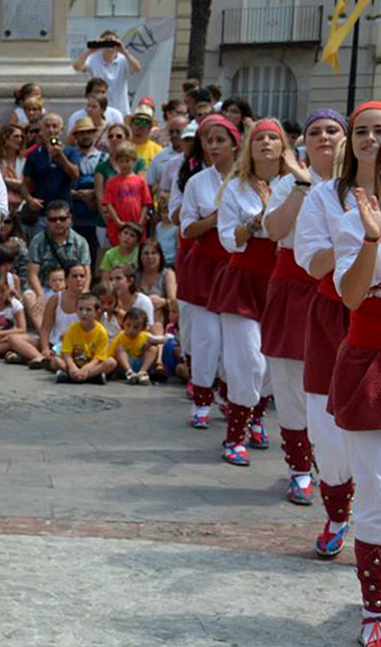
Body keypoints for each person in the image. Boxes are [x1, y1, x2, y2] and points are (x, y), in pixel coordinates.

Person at [293, 105, 370, 558]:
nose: (371, 140)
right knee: (326, 426)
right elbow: (313, 260)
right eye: (363, 131)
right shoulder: (324, 197)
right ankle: (339, 511)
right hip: (334, 314)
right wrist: (359, 237)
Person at [261, 109, 346, 506]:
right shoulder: (287, 184)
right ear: (303, 143)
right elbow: (274, 231)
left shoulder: (363, 185)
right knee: (291, 381)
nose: (324, 137)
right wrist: (301, 183)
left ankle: (344, 468)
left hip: (346, 293)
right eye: (315, 132)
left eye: (333, 130)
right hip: (294, 284)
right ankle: (299, 467)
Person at [209, 119, 287, 466]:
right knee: (247, 361)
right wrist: (260, 222)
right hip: (243, 280)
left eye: (274, 137)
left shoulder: (295, 185)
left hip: (281, 282)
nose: (267, 143)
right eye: (260, 138)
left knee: (272, 365)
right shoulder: (235, 187)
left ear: (283, 146)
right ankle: (234, 435)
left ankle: (256, 415)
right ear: (249, 147)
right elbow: (229, 238)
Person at [331, 172, 381, 647]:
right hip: (370, 362)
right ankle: (375, 610)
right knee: (376, 490)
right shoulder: (355, 221)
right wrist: (371, 237)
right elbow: (350, 295)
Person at [179, 115, 238, 428]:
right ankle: (201, 401)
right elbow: (187, 228)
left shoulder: (248, 182)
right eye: (208, 140)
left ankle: (230, 397)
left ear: (234, 143)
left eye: (220, 140)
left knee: (235, 342)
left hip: (237, 269)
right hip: (205, 267)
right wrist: (215, 220)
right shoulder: (197, 182)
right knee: (206, 339)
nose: (214, 146)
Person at [26, 199, 90, 330]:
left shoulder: (80, 242)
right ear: (46, 221)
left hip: (70, 288)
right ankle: (45, 335)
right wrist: (40, 295)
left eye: (62, 218)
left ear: (69, 218)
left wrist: (84, 291)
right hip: (45, 287)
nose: (58, 223)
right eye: (53, 219)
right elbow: (32, 273)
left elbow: (86, 271)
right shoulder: (38, 241)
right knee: (29, 296)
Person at [22, 113, 79, 238]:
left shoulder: (70, 151)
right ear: (42, 130)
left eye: (55, 126)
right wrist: (29, 199)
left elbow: (75, 174)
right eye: (47, 126)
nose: (51, 130)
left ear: (61, 130)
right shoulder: (35, 154)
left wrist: (60, 157)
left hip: (63, 213)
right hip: (41, 213)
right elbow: (25, 184)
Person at [68, 117, 107, 272]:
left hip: (96, 217)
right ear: (76, 136)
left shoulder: (105, 158)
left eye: (88, 132)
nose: (85, 136)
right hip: (75, 216)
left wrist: (93, 194)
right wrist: (78, 195)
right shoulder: (69, 156)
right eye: (81, 133)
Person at [72, 30, 141, 116]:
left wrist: (124, 51)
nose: (109, 45)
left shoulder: (123, 59)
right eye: (106, 42)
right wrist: (90, 51)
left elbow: (137, 68)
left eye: (112, 42)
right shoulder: (93, 59)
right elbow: (77, 67)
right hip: (99, 110)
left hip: (121, 109)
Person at [55, 292, 116, 383]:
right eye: (80, 309)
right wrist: (72, 367)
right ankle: (90, 378)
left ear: (96, 312)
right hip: (75, 364)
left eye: (88, 310)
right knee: (55, 360)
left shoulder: (101, 332)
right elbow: (66, 353)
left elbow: (98, 358)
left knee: (111, 362)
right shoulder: (71, 329)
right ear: (76, 310)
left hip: (91, 366)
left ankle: (76, 377)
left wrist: (86, 369)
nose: (84, 313)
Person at [38, 263, 89, 372]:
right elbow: (45, 329)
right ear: (66, 279)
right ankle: (42, 358)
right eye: (75, 276)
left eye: (82, 276)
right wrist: (45, 348)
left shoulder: (91, 301)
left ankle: (67, 370)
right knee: (15, 340)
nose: (79, 279)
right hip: (56, 346)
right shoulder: (56, 299)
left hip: (80, 348)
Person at [101, 142, 152, 248]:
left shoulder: (141, 181)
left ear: (134, 161)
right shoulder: (112, 182)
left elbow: (145, 204)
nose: (124, 164)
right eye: (121, 161)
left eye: (127, 161)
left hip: (136, 223)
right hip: (118, 226)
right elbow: (109, 204)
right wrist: (118, 222)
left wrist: (140, 223)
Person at [0, 279, 45, 365]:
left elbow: (22, 328)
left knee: (12, 341)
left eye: (3, 292)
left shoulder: (16, 305)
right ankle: (13, 354)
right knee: (10, 343)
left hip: (7, 337)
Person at [111, 308, 164, 385]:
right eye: (128, 325)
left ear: (142, 328)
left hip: (141, 364)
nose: (131, 330)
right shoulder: (120, 337)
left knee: (153, 348)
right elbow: (111, 352)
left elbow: (161, 340)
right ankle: (130, 373)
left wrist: (152, 343)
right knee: (119, 348)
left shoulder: (145, 336)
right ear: (123, 324)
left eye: (136, 327)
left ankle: (142, 372)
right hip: (126, 365)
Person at [137, 239, 177, 331]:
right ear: (140, 256)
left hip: (161, 316)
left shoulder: (167, 274)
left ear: (160, 256)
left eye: (154, 253)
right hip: (138, 315)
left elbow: (173, 302)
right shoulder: (135, 275)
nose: (150, 257)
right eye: (146, 253)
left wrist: (162, 302)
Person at [147, 115, 188, 202]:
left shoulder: (196, 157)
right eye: (171, 132)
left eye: (178, 132)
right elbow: (149, 186)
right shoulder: (159, 157)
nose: (174, 135)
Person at [0, 124, 26, 211]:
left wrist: (5, 180)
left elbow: (25, 184)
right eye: (16, 137)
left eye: (21, 137)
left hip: (21, 207)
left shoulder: (24, 162)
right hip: (1, 206)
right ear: (6, 139)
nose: (19, 140)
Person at [126, 104, 163, 169]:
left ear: (150, 127)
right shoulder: (122, 147)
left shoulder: (158, 151)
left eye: (145, 122)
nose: (141, 125)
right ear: (131, 124)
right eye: (137, 121)